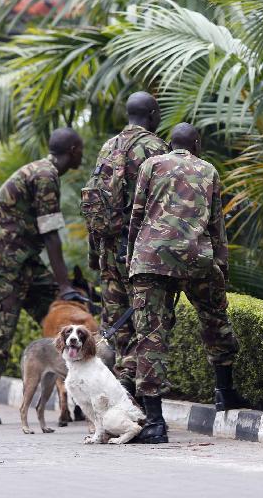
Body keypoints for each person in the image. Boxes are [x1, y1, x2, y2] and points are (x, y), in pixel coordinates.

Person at [126, 123, 248, 444]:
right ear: (196, 144)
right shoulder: (208, 170)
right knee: (215, 320)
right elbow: (217, 223)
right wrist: (222, 266)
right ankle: (225, 392)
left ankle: (154, 423)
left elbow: (137, 216)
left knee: (151, 335)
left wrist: (132, 262)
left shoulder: (150, 165)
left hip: (151, 258)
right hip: (197, 257)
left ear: (170, 143)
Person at [0, 128, 84, 425]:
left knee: (61, 314)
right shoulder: (45, 175)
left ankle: (78, 396)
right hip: (0, 261)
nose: (82, 154)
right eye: (80, 149)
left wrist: (64, 290)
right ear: (72, 149)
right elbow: (51, 232)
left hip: (23, 261)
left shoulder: (45, 172)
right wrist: (65, 284)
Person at [85, 91, 168, 398]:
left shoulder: (109, 146)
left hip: (107, 250)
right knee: (146, 322)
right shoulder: (155, 148)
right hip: (138, 252)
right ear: (151, 114)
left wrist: (95, 255)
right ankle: (134, 389)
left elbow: (94, 202)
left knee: (119, 324)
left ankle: (122, 382)